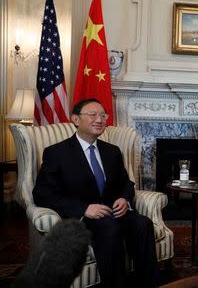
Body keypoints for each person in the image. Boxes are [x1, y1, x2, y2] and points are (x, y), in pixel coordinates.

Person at [33, 99, 159, 288]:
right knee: (109, 229)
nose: (99, 120)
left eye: (103, 115)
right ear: (76, 119)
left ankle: (149, 283)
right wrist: (84, 209)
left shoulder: (112, 151)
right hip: (83, 218)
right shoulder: (56, 153)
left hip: (114, 212)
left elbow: (126, 183)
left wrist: (124, 198)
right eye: (92, 115)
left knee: (143, 223)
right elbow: (42, 193)